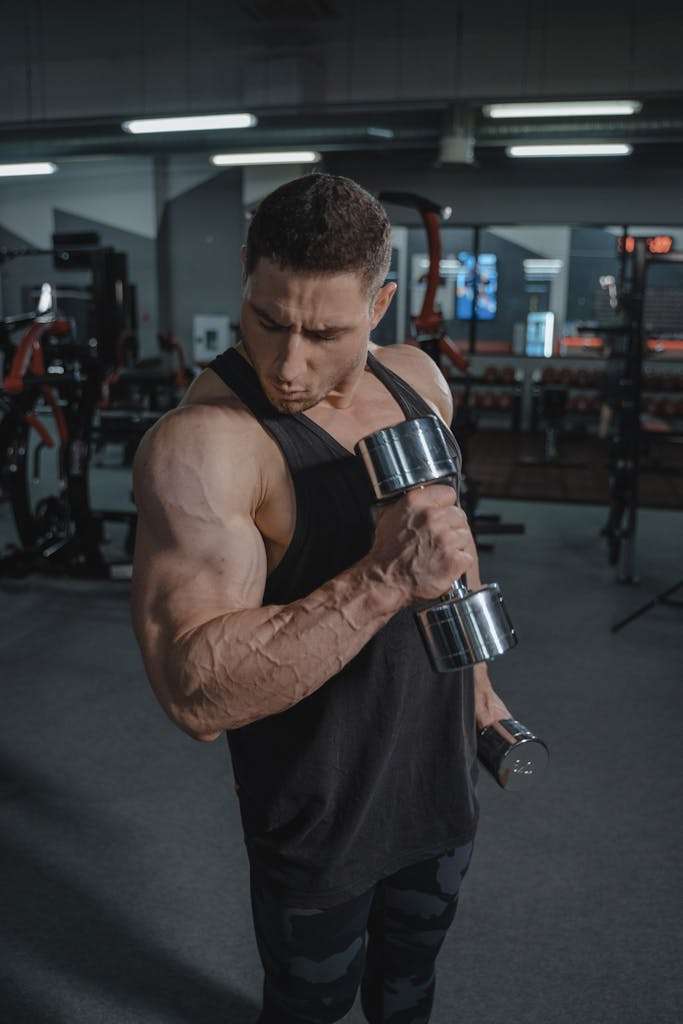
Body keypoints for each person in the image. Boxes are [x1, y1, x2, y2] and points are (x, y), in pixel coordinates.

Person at [130, 173, 513, 1023]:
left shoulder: (418, 381)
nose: (288, 365)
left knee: (409, 989)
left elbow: (445, 540)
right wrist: (383, 578)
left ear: (379, 305)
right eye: (268, 321)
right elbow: (195, 695)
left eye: (325, 333)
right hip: (323, 810)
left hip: (440, 773)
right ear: (245, 275)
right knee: (310, 1005)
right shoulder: (206, 444)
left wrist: (479, 683)